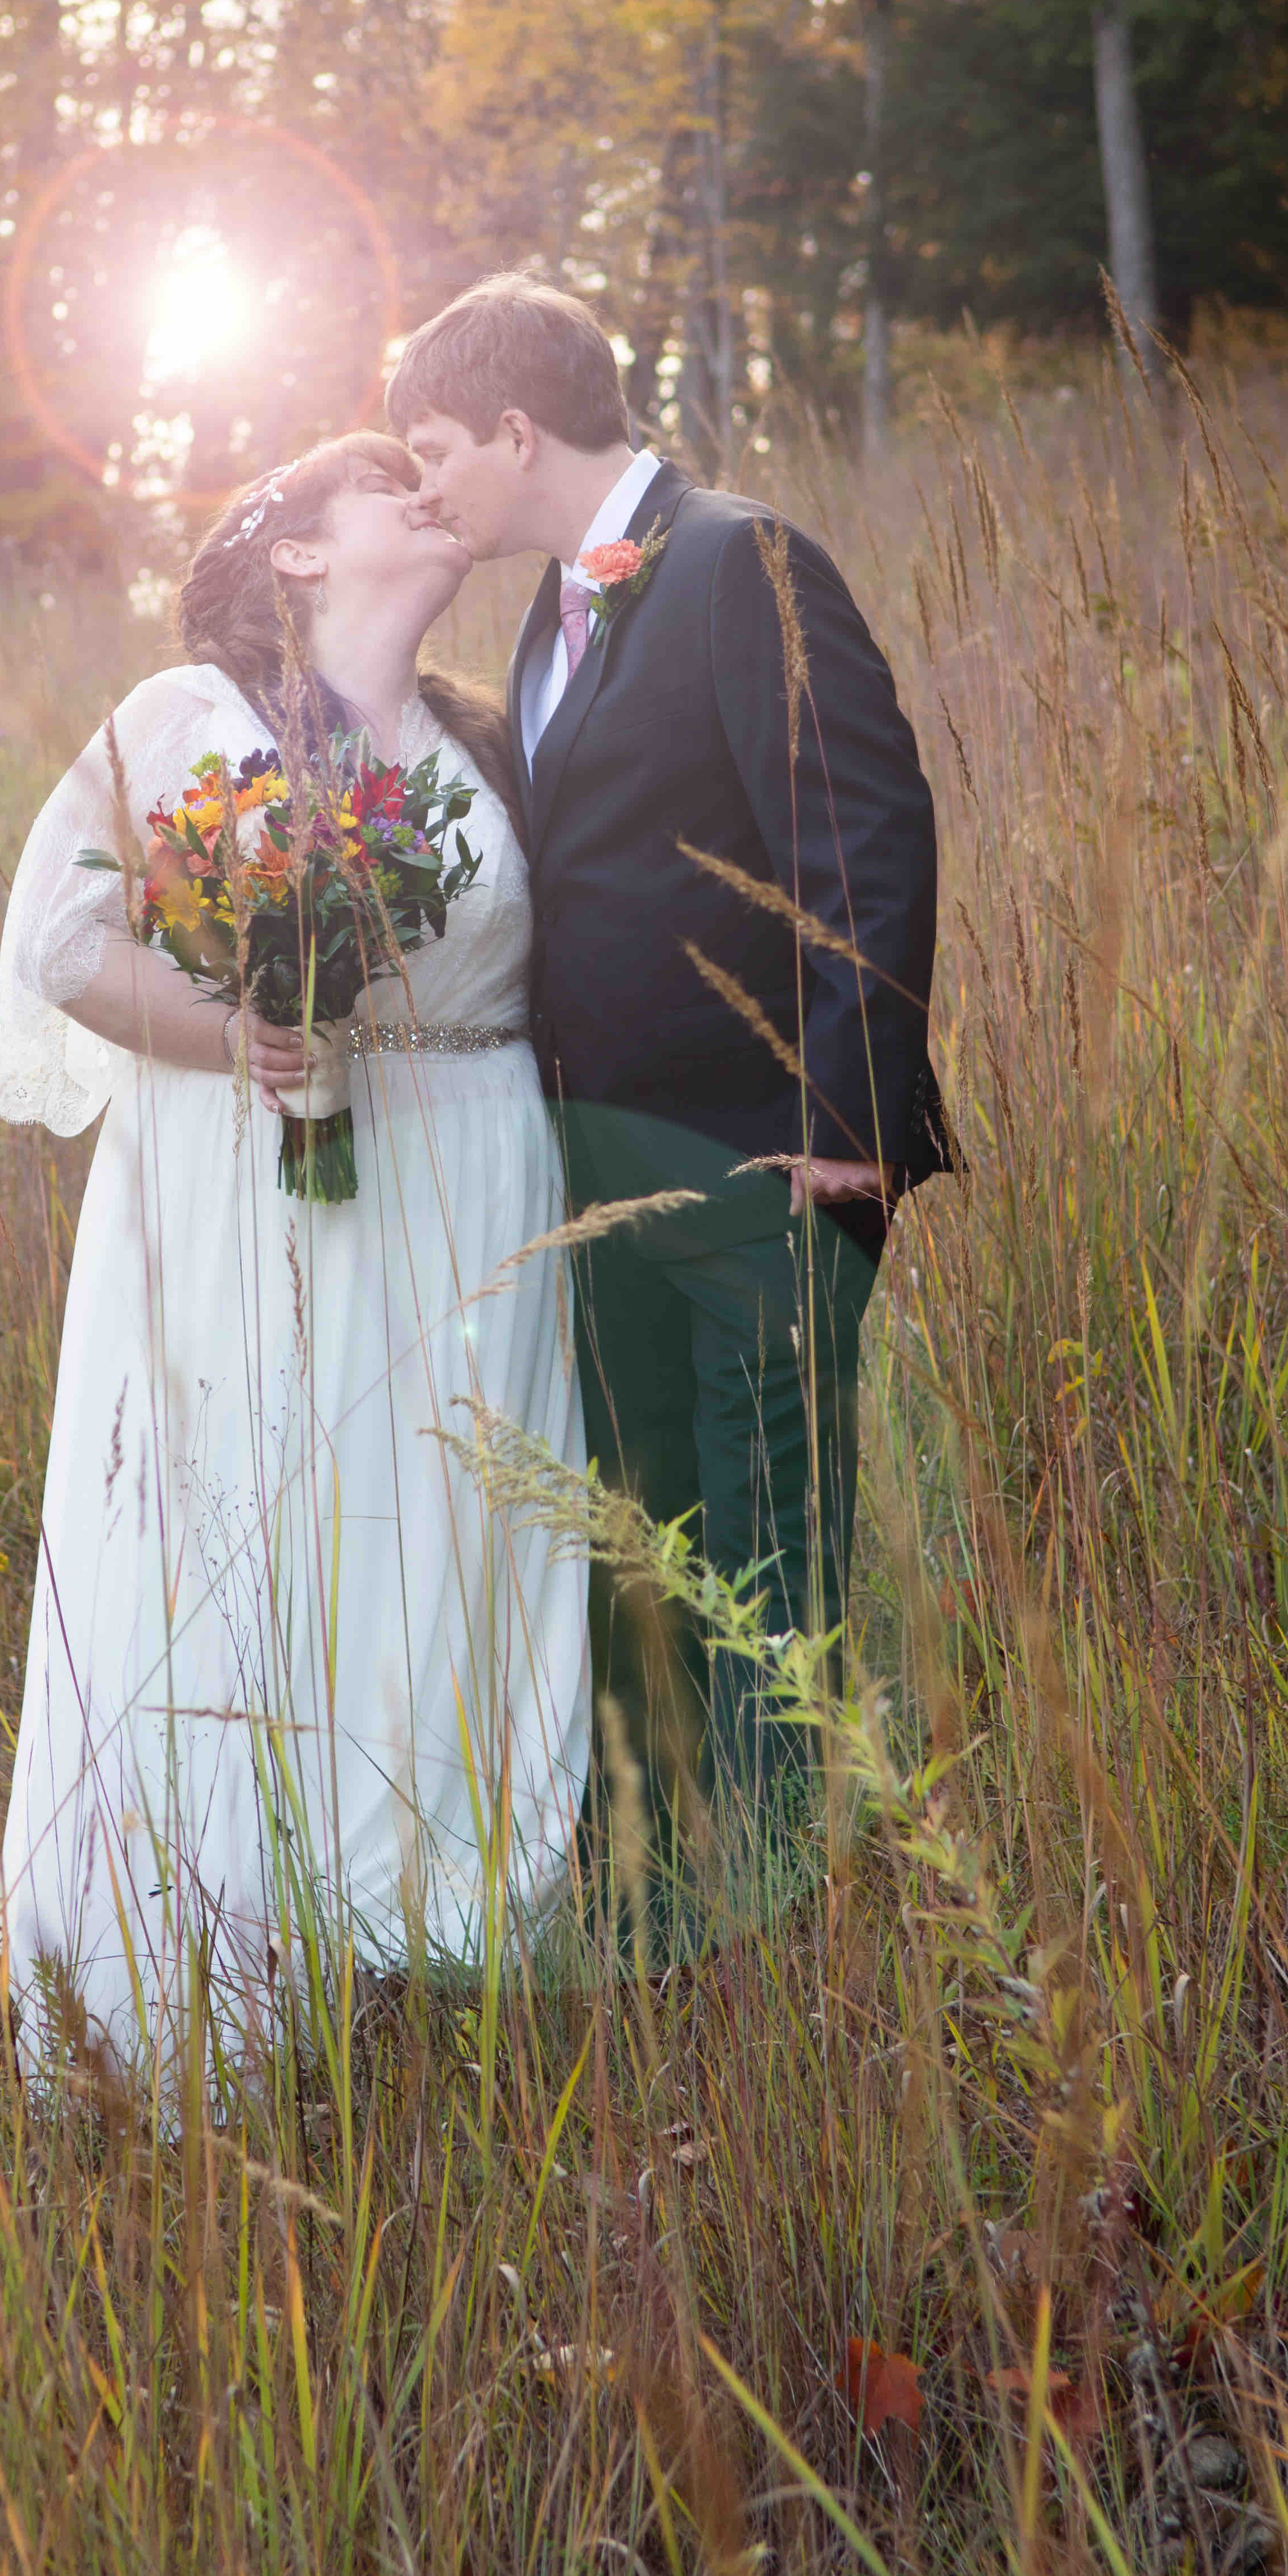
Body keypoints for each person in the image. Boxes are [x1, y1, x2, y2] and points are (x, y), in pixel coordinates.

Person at [0, 430, 590, 2086]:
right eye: (383, 483)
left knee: (473, 1551)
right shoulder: (200, 717)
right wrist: (244, 1019)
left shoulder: (489, 728)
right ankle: (232, 1970)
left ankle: (459, 1949)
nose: (424, 497)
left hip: (487, 1174)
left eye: (429, 475)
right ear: (303, 556)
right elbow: (63, 942)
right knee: (288, 1538)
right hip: (278, 1190)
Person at [387, 273, 949, 1911]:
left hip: (766, 1153)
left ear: (515, 427)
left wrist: (847, 1129)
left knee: (774, 1523)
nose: (425, 488)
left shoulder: (736, 558)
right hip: (614, 1168)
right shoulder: (560, 603)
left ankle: (787, 1888)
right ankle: (657, 1866)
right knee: (656, 1517)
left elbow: (864, 840)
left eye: (438, 449)